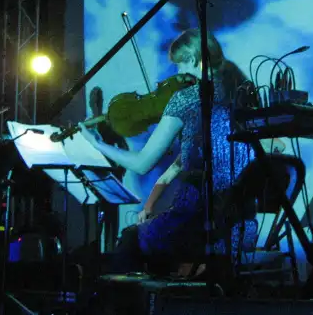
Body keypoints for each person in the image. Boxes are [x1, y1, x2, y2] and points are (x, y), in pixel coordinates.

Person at [79, 28, 257, 275]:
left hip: (199, 225)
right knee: (157, 239)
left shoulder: (186, 99)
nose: (178, 72)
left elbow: (142, 164)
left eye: (179, 64)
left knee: (131, 239)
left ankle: (130, 300)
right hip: (241, 229)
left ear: (192, 58)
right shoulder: (244, 96)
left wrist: (97, 144)